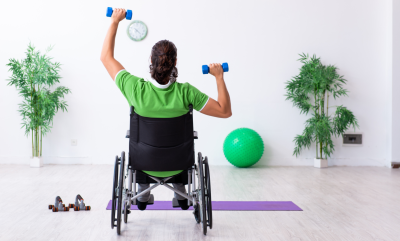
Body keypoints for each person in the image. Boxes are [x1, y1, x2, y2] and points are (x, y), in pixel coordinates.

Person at [100, 9, 232, 210]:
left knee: (143, 145)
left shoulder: (135, 88)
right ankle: (180, 189)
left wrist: (115, 21)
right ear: (175, 63)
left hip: (143, 163)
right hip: (179, 164)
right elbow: (225, 111)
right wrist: (219, 77)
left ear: (150, 62)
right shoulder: (187, 93)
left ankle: (142, 190)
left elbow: (105, 57)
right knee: (177, 147)